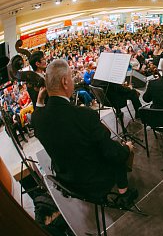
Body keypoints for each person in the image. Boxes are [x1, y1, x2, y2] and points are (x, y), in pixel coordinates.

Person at [32, 59, 138, 206]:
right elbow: (113, 154)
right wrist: (127, 148)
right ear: (64, 82)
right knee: (117, 150)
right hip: (92, 183)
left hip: (66, 181)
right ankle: (124, 193)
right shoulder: (84, 115)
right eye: (71, 77)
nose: (73, 81)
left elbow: (40, 112)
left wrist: (40, 99)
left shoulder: (37, 118)